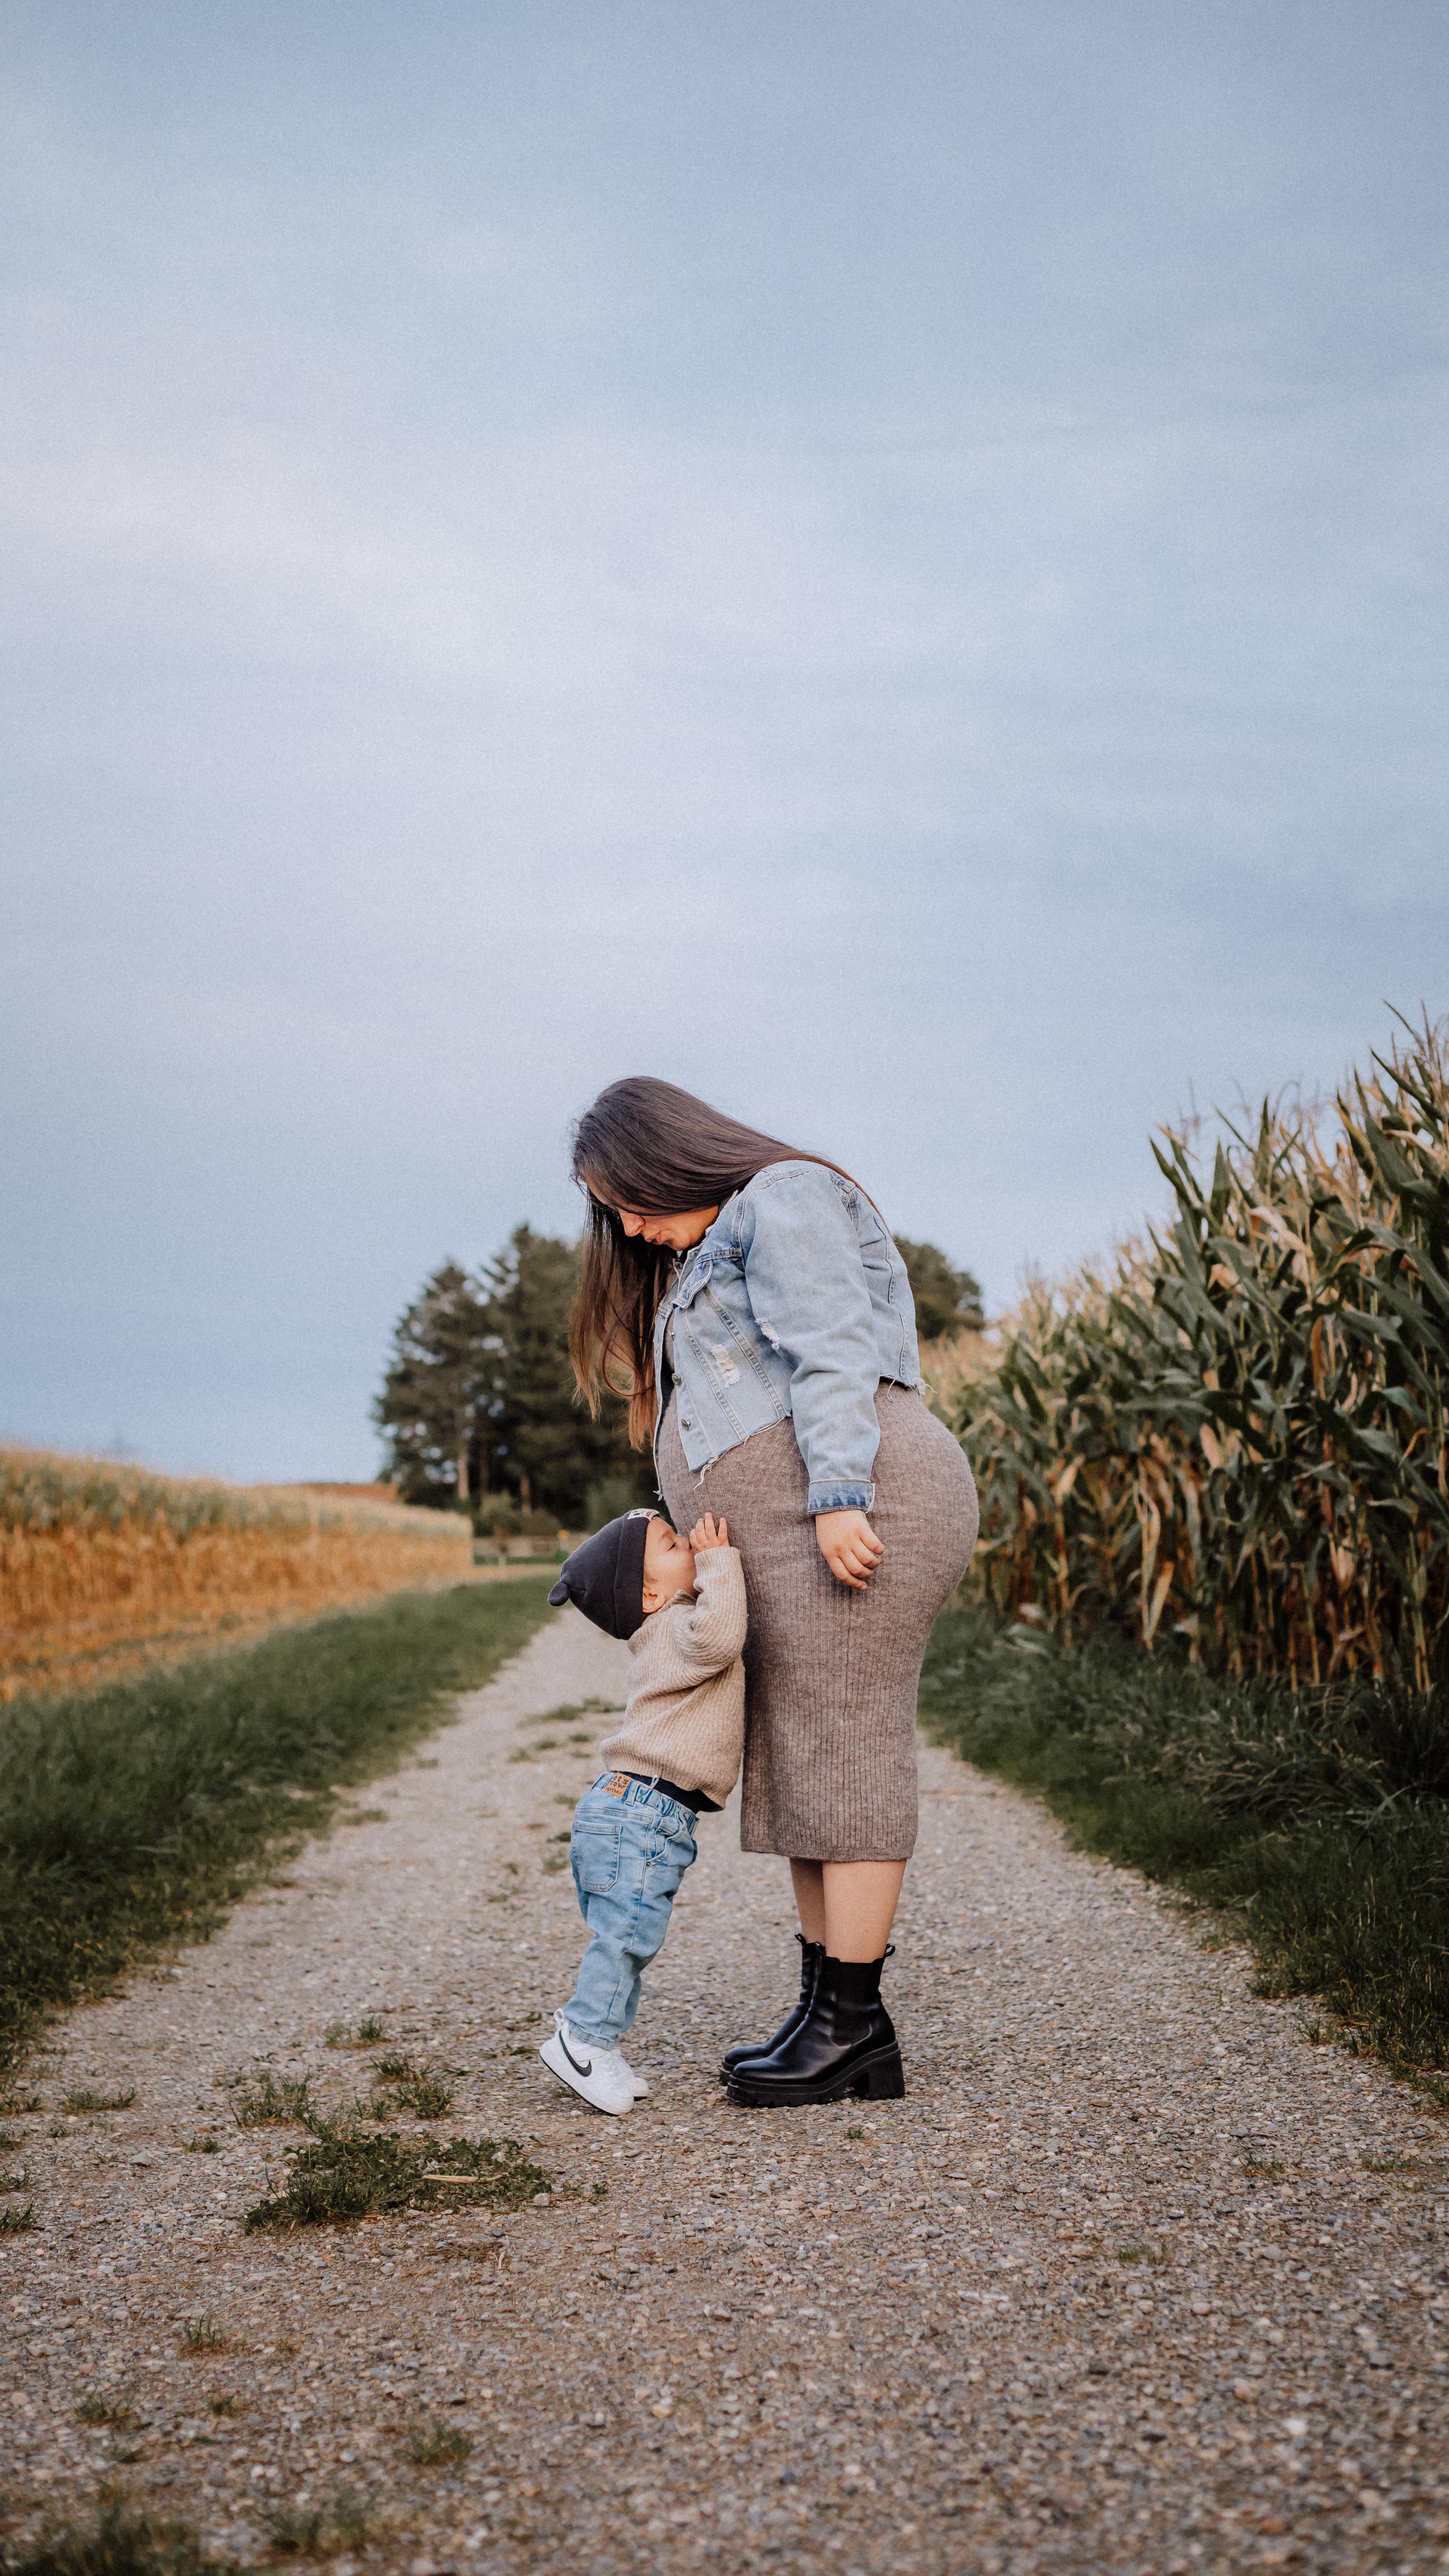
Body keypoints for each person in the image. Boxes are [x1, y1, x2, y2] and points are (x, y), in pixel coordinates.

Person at [568, 1077, 979, 2107]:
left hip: (854, 1504)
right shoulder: (707, 1250)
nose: (623, 1225)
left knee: (845, 1738)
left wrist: (840, 1496)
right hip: (796, 1529)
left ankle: (850, 2027)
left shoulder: (780, 1197)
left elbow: (834, 1347)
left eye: (622, 1196)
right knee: (803, 1757)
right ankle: (831, 2019)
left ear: (665, 1153)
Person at [539, 1505, 746, 2116]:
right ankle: (582, 2039)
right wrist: (718, 1561)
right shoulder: (677, 1633)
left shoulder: (668, 1627)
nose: (689, 1541)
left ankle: (599, 2044)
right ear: (651, 1592)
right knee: (628, 1937)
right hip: (640, 1814)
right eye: (673, 1542)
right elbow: (722, 1636)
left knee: (630, 1938)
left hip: (639, 1814)